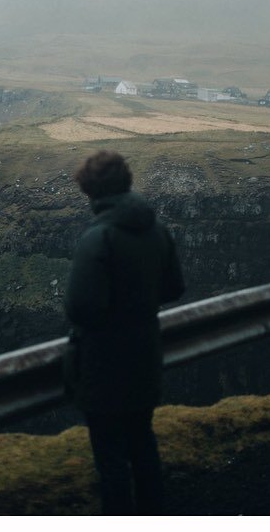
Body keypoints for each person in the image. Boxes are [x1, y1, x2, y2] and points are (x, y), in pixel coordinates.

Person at [64, 150, 185, 515]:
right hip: (146, 354)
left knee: (111, 460)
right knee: (142, 445)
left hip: (104, 365)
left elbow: (80, 307)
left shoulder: (98, 237)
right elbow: (174, 288)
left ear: (89, 191)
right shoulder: (156, 228)